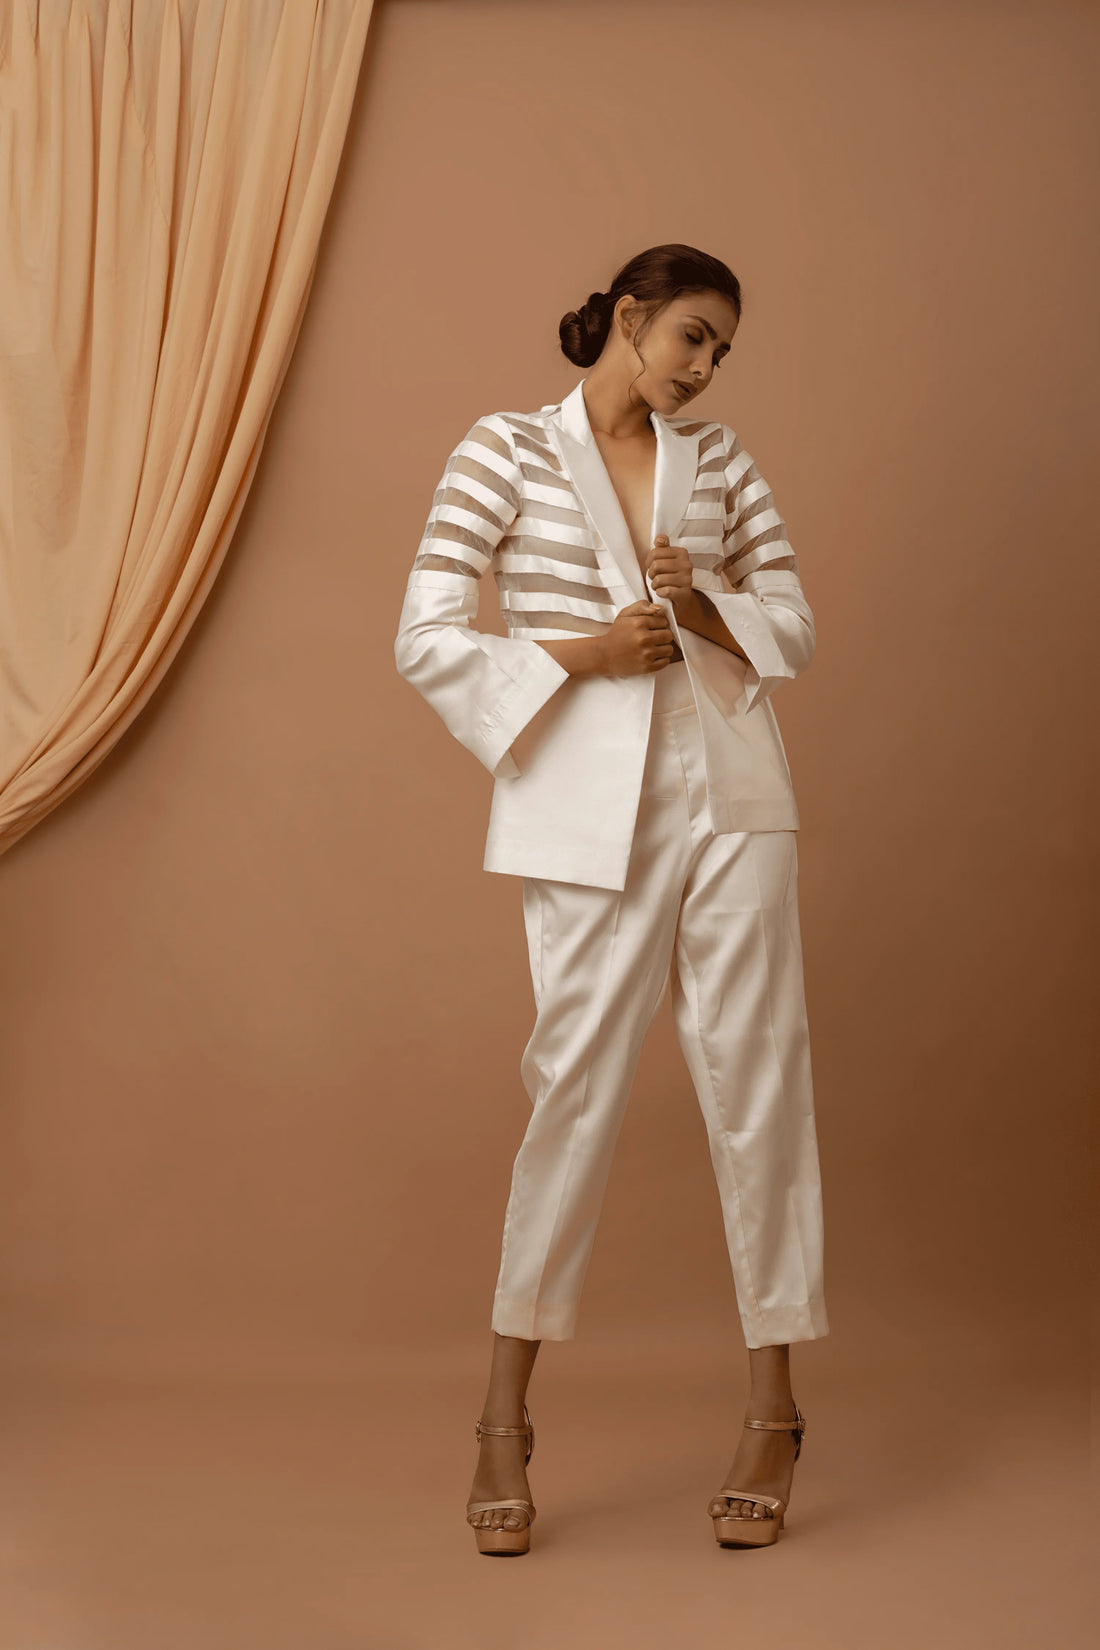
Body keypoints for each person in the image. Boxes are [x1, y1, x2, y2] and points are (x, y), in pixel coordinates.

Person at [393, 244, 829, 1556]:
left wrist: (706, 603)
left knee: (762, 1076)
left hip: (733, 789)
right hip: (589, 809)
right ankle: (503, 1417)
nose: (706, 368)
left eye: (723, 351)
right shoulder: (503, 449)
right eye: (694, 336)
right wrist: (582, 652)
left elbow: (795, 621)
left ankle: (775, 1412)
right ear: (631, 317)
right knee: (573, 1087)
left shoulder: (722, 460)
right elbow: (425, 633)